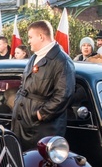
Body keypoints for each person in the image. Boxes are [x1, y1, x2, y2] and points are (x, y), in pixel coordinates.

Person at [11, 20, 75, 151]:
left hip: (42, 127)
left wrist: (41, 114)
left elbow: (64, 94)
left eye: (30, 37)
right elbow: (24, 84)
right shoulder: (35, 57)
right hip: (23, 122)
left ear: (41, 36)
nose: (28, 42)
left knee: (39, 164)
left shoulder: (61, 61)